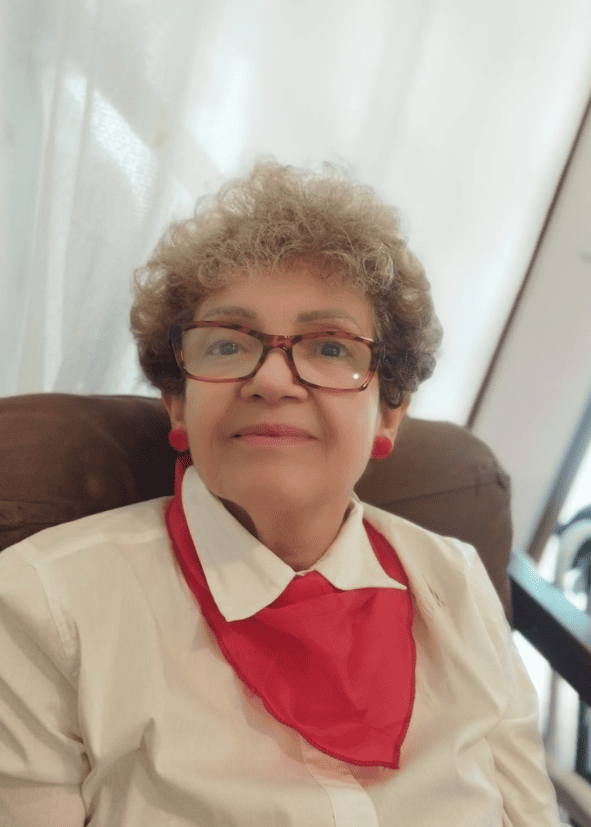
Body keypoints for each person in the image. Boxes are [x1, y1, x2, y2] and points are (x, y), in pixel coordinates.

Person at [0, 161, 565, 826]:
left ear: (388, 413)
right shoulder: (41, 610)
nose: (271, 380)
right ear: (177, 403)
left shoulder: (456, 580)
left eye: (330, 347)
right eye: (226, 344)